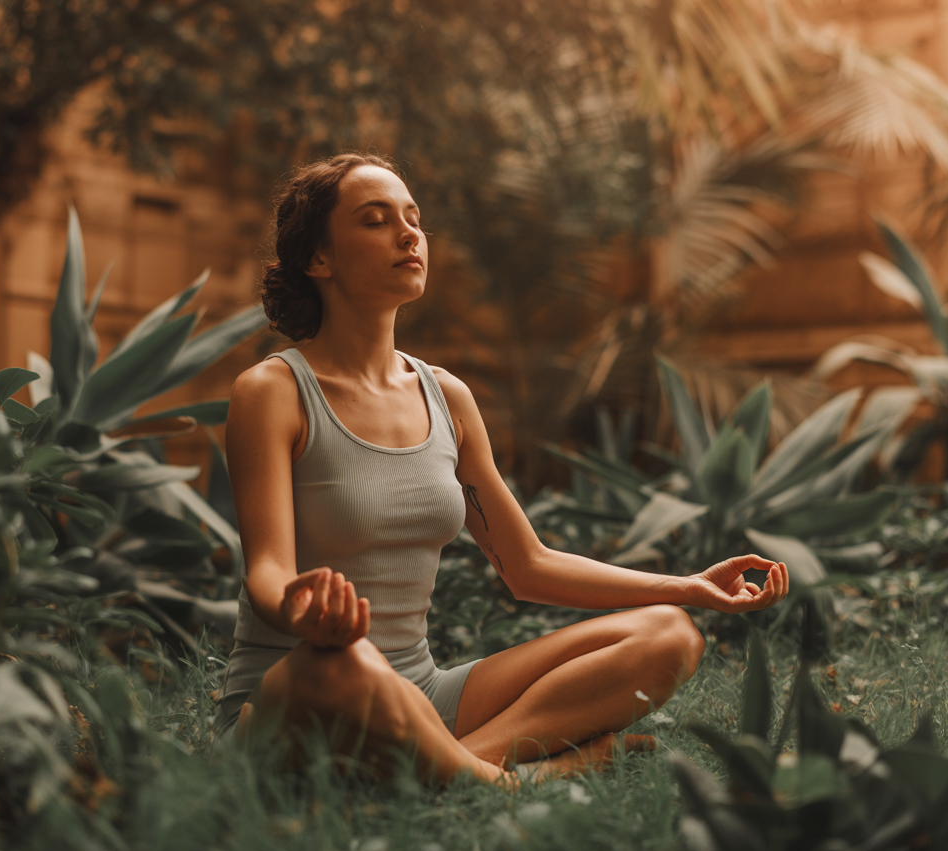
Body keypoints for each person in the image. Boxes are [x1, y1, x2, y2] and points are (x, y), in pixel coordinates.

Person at [216, 153, 789, 783]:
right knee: (348, 663)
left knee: (670, 635)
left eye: (414, 219)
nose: (409, 235)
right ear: (319, 259)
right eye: (376, 221)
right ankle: (516, 779)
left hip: (423, 693)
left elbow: (528, 566)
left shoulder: (446, 398)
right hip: (305, 687)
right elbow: (267, 569)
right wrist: (302, 608)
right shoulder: (272, 392)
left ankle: (453, 767)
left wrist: (687, 586)